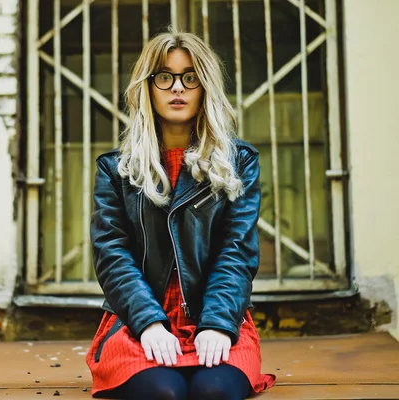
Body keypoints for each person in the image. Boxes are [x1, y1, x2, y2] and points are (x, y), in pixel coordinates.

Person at [86, 30, 276, 400]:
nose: (178, 88)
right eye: (164, 77)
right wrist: (149, 324)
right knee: (163, 392)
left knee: (214, 392)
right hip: (137, 321)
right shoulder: (116, 169)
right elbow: (112, 256)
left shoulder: (239, 163)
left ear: (205, 86)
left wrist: (219, 324)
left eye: (190, 77)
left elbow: (236, 252)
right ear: (148, 87)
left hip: (217, 316)